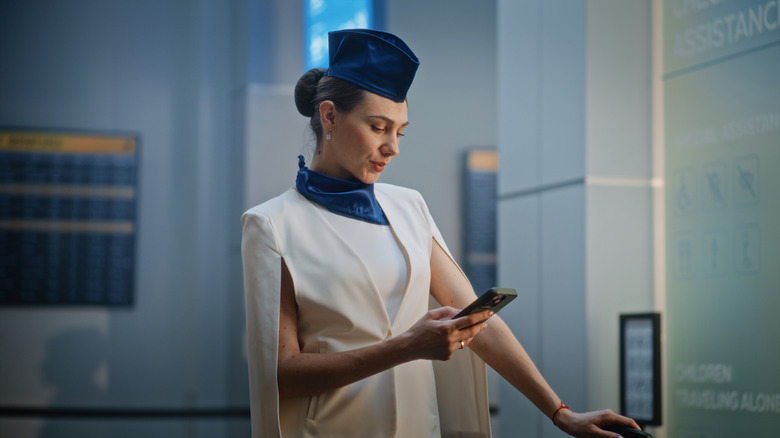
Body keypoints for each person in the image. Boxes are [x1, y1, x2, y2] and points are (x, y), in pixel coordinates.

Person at [241, 29, 641, 438]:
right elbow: (282, 373)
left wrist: (560, 413)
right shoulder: (272, 225)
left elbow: (477, 318)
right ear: (329, 116)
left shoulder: (409, 206)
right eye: (379, 127)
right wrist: (405, 347)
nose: (393, 146)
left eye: (400, 131)